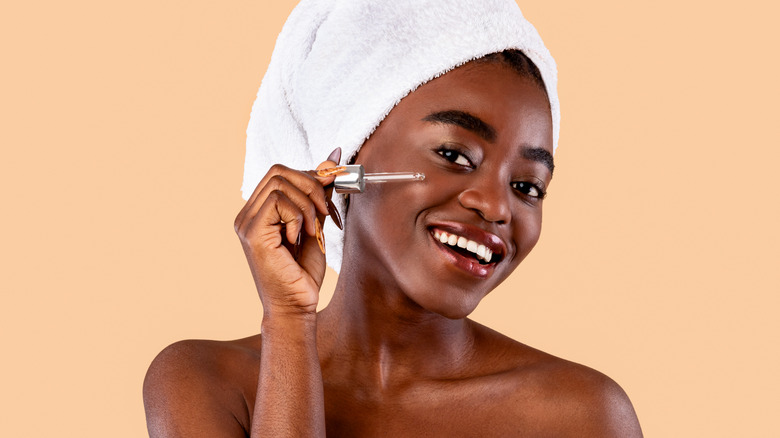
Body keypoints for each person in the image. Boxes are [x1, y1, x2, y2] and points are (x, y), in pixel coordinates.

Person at [143, 1, 643, 436]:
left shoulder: (581, 417)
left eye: (527, 186)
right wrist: (289, 324)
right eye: (454, 153)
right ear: (343, 165)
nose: (495, 206)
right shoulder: (204, 381)